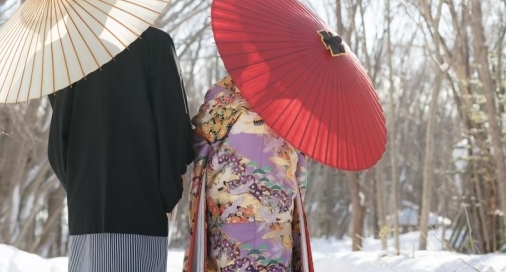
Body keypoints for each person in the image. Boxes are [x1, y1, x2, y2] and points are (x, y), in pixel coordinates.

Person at [48, 27, 193, 272]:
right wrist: (168, 190)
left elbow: (58, 143)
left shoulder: (68, 49)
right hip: (142, 199)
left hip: (87, 206)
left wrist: (79, 187)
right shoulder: (154, 42)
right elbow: (173, 123)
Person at [183, 76, 313, 272]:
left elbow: (199, 151)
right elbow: (299, 174)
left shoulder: (220, 99)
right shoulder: (291, 109)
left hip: (228, 220)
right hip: (275, 221)